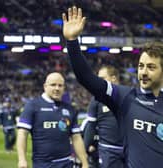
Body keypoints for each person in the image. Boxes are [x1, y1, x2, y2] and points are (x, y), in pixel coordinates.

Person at [62, 6, 163, 168]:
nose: (143, 72)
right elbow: (87, 78)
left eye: (151, 67)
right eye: (141, 66)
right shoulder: (125, 97)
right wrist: (72, 42)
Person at [17, 72, 88, 168]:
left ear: (64, 88)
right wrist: (22, 159)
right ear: (45, 86)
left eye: (60, 85)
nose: (57, 88)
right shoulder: (33, 106)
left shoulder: (70, 109)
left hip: (67, 163)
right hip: (43, 164)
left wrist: (85, 162)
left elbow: (76, 137)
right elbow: (22, 133)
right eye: (53, 85)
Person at [84, 65, 124, 168]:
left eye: (102, 79)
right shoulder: (96, 100)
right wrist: (83, 152)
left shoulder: (129, 96)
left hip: (129, 150)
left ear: (113, 78)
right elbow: (91, 127)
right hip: (108, 152)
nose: (99, 83)